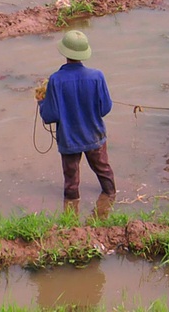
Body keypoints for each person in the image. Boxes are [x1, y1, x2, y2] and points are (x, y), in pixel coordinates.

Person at [37, 30, 116, 209]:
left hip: (69, 139)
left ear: (65, 52)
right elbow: (105, 108)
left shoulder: (55, 80)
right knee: (103, 170)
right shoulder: (97, 76)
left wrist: (42, 102)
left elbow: (51, 116)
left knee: (71, 180)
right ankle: (109, 200)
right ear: (84, 54)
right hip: (94, 136)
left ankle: (71, 214)